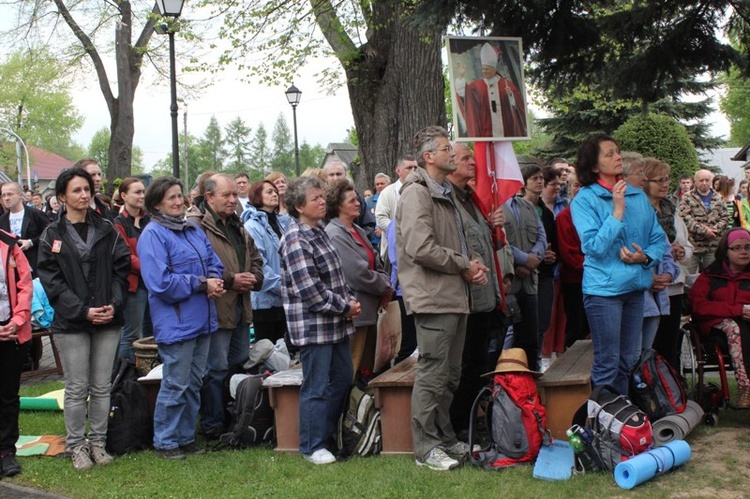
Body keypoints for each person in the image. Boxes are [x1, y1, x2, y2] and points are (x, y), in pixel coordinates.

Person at [396, 126, 488, 471]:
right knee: (433, 374)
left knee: (450, 374)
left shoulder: (445, 191)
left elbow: (456, 242)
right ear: (428, 157)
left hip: (453, 294)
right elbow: (420, 247)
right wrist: (464, 266)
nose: (454, 153)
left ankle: (445, 437)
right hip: (434, 297)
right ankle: (425, 448)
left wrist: (472, 267)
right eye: (447, 149)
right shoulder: (416, 193)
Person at [36, 168, 131, 470]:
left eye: (87, 189)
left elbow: (121, 270)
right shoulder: (52, 235)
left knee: (102, 386)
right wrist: (81, 310)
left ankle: (98, 443)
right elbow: (51, 280)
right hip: (72, 322)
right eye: (76, 190)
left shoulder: (106, 229)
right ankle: (76, 445)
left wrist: (113, 305)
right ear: (62, 196)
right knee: (77, 387)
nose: (84, 195)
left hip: (107, 318)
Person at [571, 135, 667, 395]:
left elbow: (659, 239)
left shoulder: (637, 195)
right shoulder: (585, 200)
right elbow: (594, 248)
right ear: (593, 166)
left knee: (627, 361)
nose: (618, 157)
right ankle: (602, 424)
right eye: (610, 154)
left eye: (618, 152)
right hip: (604, 292)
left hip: (636, 288)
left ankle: (621, 422)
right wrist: (617, 211)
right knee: (608, 362)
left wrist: (645, 258)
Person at [137, 176, 225, 460]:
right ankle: (165, 441)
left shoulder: (192, 229)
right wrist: (202, 284)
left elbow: (214, 262)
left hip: (203, 319)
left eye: (179, 196)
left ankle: (186, 437)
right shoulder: (152, 235)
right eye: (171, 198)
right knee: (176, 383)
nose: (178, 202)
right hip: (176, 322)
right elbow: (159, 282)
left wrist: (216, 279)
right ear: (156, 204)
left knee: (194, 382)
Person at [279, 176, 361, 465]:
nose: (322, 201)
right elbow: (311, 292)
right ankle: (312, 446)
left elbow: (337, 276)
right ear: (299, 206)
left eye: (322, 196)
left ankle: (327, 436)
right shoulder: (295, 238)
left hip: (335, 323)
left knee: (341, 379)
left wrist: (350, 300)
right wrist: (344, 307)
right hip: (314, 327)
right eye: (315, 198)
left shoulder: (320, 230)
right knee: (315, 386)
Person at [188, 174, 263, 439]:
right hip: (215, 309)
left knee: (238, 363)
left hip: (241, 307)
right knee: (215, 368)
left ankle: (234, 416)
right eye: (226, 195)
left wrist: (254, 277)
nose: (233, 199)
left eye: (235, 194)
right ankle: (212, 422)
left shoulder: (238, 224)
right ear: (209, 197)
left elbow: (255, 258)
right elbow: (196, 268)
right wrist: (232, 280)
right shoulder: (196, 226)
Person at [445, 142, 505, 437]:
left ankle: (471, 419)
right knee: (464, 365)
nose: (473, 163)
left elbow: (486, 245)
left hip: (484, 297)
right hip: (464, 299)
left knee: (477, 362)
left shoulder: (471, 199)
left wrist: (493, 227)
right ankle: (458, 425)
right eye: (466, 158)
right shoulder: (447, 201)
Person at [324, 179, 392, 377]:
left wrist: (385, 282)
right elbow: (357, 274)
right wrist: (386, 286)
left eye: (358, 199)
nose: (358, 204)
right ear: (338, 206)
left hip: (371, 311)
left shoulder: (358, 230)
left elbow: (377, 262)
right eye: (352, 200)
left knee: (370, 369)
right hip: (355, 316)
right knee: (353, 372)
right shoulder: (335, 234)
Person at [690, 228, 750, 409]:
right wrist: (737, 310)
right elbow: (698, 306)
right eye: (737, 248)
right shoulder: (710, 275)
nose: (744, 252)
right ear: (726, 251)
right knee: (733, 327)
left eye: (748, 247)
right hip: (717, 329)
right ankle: (745, 387)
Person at [642, 158, 693, 368]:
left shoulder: (672, 211)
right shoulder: (640, 210)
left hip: (674, 286)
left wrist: (682, 251)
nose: (665, 184)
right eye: (659, 180)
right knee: (649, 344)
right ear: (645, 183)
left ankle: (670, 387)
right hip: (651, 285)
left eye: (666, 180)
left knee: (670, 345)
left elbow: (688, 245)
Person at [503, 168, 547, 372]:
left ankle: (531, 383)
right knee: (505, 340)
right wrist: (522, 260)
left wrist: (534, 260)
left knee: (530, 338)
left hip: (529, 284)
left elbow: (541, 237)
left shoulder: (527, 207)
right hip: (508, 284)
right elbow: (499, 241)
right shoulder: (494, 206)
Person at [0, 228, 34, 478]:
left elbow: (25, 284)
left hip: (11, 331)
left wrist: (19, 318)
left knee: (8, 395)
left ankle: (6, 452)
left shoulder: (10, 243)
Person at [243, 181, 291, 344]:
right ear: (257, 196)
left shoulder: (282, 223)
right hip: (265, 304)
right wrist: (285, 287)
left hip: (284, 300)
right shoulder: (252, 226)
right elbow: (260, 264)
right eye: (269, 192)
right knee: (269, 352)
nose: (274, 195)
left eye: (275, 192)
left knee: (285, 353)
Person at [113, 178, 150, 362]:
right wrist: (151, 270)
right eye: (137, 192)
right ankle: (124, 378)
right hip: (134, 286)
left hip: (154, 285)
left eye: (143, 191)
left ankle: (149, 375)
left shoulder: (149, 220)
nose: (141, 196)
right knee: (131, 335)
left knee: (153, 333)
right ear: (124, 196)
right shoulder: (119, 223)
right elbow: (125, 255)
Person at [463, 43, 527, 138]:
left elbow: (519, 104)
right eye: (483, 69)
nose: (484, 71)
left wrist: (510, 95)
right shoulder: (477, 85)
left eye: (487, 69)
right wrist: (461, 77)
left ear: (494, 69)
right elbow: (466, 93)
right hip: (486, 130)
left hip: (505, 129)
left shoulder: (506, 84)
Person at [556, 170, 590, 347]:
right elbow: (569, 254)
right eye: (576, 185)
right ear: (569, 189)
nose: (580, 190)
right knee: (576, 329)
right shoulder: (564, 217)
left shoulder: (594, 214)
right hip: (575, 281)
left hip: (597, 279)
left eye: (584, 186)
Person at [679, 169, 730, 275]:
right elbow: (685, 217)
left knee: (714, 277)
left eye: (707, 180)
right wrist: (703, 230)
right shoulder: (687, 198)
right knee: (688, 278)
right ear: (695, 182)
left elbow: (725, 217)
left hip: (713, 246)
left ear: (711, 181)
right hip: (693, 246)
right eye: (701, 180)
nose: (704, 183)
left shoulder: (719, 198)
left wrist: (714, 230)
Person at [0, 182, 50, 277]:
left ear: (20, 195)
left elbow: (50, 235)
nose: (6, 198)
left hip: (35, 267)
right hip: (12, 269)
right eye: (3, 195)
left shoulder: (36, 214)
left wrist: (31, 242)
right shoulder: (2, 220)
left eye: (10, 194)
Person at [375, 156, 419, 257]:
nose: (413, 171)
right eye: (409, 168)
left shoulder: (423, 190)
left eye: (415, 168)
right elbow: (381, 219)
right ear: (398, 171)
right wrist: (400, 231)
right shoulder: (387, 193)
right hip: (394, 250)